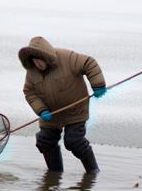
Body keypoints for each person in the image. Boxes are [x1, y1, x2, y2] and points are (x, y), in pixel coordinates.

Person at [18, 36, 107, 173]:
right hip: (50, 115)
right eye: (34, 61)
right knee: (44, 141)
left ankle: (93, 171)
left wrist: (98, 84)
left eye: (39, 60)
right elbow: (29, 92)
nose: (38, 64)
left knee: (74, 141)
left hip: (75, 111)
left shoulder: (67, 58)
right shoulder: (32, 71)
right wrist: (41, 110)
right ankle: (55, 174)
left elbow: (89, 63)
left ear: (46, 56)